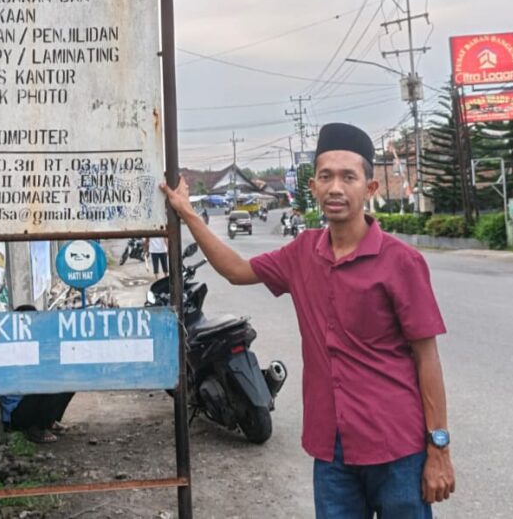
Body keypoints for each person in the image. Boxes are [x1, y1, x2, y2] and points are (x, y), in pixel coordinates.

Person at [161, 123, 455, 518]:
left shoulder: (402, 262)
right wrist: (188, 214)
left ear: (370, 188)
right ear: (313, 187)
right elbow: (236, 270)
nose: (336, 188)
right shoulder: (301, 253)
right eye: (326, 177)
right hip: (333, 450)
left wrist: (438, 448)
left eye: (348, 177)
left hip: (397, 449)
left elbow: (427, 358)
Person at [0, 306, 74, 443]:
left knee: (71, 383)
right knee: (49, 384)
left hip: (27, 403)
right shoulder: (14, 348)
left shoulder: (32, 344)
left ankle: (49, 421)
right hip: (16, 414)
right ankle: (36, 429)